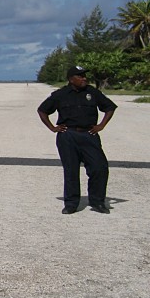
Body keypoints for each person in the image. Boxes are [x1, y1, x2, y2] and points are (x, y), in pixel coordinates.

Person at [37, 65, 117, 214]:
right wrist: (53, 128)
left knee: (99, 168)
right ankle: (71, 204)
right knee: (71, 171)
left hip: (89, 134)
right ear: (71, 79)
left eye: (84, 76)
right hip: (68, 135)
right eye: (80, 76)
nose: (84, 78)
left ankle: (97, 202)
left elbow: (109, 107)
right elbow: (42, 110)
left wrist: (101, 125)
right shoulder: (60, 94)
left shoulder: (92, 92)